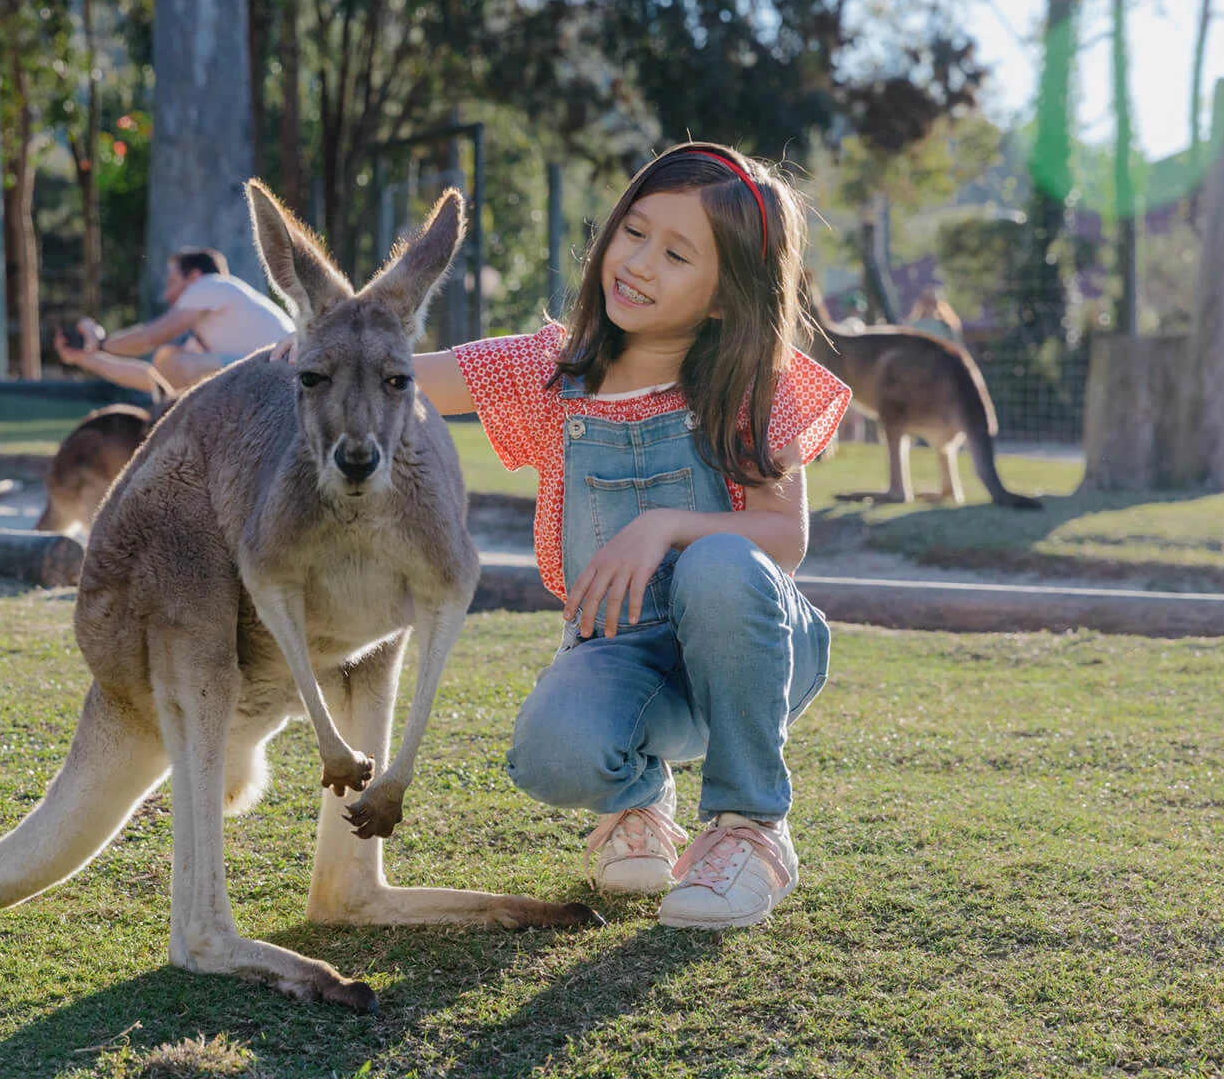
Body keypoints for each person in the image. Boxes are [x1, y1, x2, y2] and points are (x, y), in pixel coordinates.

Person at [275, 143, 850, 929]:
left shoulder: (752, 388)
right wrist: (300, 359)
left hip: (753, 656)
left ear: (726, 297)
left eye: (677, 255)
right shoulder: (553, 372)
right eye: (634, 232)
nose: (639, 264)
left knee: (718, 561)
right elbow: (400, 368)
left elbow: (783, 535)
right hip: (622, 661)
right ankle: (637, 801)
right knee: (549, 754)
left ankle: (752, 828)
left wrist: (664, 526)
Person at [54, 246, 293, 393]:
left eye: (171, 282)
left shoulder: (210, 285)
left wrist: (101, 342)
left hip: (282, 371)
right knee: (170, 365)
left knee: (168, 358)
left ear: (194, 276)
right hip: (280, 373)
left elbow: (149, 339)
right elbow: (158, 380)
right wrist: (86, 359)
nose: (167, 295)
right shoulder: (216, 328)